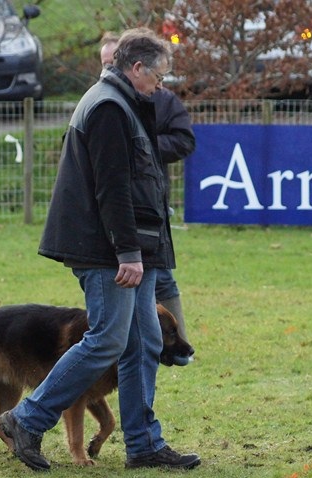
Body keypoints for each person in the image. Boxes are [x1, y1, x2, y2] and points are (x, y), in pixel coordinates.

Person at [0, 27, 200, 471]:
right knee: (108, 338)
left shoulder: (125, 102)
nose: (161, 86)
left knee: (145, 340)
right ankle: (27, 419)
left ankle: (144, 445)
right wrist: (128, 252)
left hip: (128, 247)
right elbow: (111, 187)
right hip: (106, 249)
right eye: (159, 76)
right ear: (137, 68)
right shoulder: (109, 107)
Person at [101, 32, 196, 351]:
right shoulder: (106, 103)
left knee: (160, 278)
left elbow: (184, 141)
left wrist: (145, 146)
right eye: (103, 65)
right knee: (115, 288)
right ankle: (129, 342)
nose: (107, 71)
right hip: (119, 216)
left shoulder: (163, 101)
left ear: (133, 66)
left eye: (111, 63)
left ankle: (177, 345)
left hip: (149, 208)